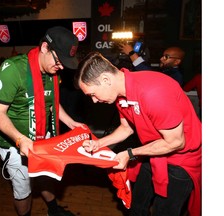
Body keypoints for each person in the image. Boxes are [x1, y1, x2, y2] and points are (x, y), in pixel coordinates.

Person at [75, 52, 201, 216]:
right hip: (154, 151)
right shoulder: (122, 93)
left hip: (181, 160)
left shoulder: (152, 93)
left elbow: (176, 143)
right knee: (136, 205)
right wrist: (99, 143)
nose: (94, 100)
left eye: (92, 94)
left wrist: (130, 153)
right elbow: (126, 128)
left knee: (163, 212)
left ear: (106, 80)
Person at [0, 26, 84, 216]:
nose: (62, 67)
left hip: (43, 139)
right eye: (60, 61)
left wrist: (71, 122)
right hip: (16, 144)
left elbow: (52, 104)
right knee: (23, 191)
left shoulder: (53, 72)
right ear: (44, 48)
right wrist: (20, 139)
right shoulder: (13, 70)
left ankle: (53, 211)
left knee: (46, 178)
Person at [118, 43, 185, 86]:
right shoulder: (167, 71)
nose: (161, 59)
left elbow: (149, 73)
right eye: (163, 56)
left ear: (177, 62)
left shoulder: (176, 76)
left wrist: (131, 53)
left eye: (166, 57)